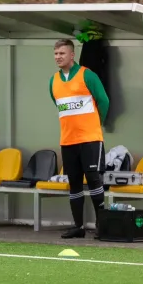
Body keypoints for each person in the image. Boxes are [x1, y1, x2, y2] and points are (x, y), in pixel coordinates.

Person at [49, 39, 110, 239]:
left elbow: (103, 100)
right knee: (74, 181)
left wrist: (96, 123)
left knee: (94, 180)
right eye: (56, 53)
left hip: (90, 138)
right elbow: (59, 105)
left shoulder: (87, 75)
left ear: (72, 55)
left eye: (62, 53)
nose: (58, 57)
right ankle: (78, 226)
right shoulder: (53, 81)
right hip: (68, 141)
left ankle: (102, 225)